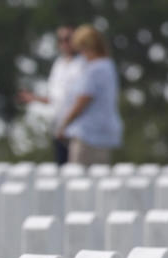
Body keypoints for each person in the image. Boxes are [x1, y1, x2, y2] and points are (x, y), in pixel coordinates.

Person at [56, 25, 123, 165]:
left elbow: (82, 101)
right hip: (103, 134)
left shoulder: (95, 69)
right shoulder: (107, 65)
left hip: (88, 135)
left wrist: (63, 125)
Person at [19, 24, 84, 165]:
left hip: (78, 130)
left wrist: (69, 122)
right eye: (61, 39)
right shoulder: (58, 65)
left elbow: (83, 99)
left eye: (68, 39)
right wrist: (34, 98)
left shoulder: (84, 64)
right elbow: (56, 98)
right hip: (59, 127)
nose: (64, 43)